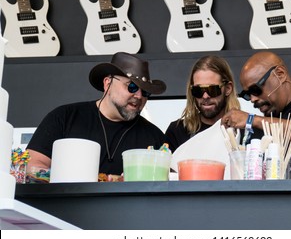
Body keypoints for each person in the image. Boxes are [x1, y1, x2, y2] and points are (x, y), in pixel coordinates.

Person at [27, 52, 167, 178]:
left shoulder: (155, 137)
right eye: (132, 87)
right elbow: (32, 166)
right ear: (108, 83)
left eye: (146, 92)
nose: (139, 96)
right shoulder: (65, 117)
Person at [165, 55, 242, 152]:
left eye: (212, 89)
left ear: (228, 89)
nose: (205, 96)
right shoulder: (177, 131)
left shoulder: (244, 130)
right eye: (198, 90)